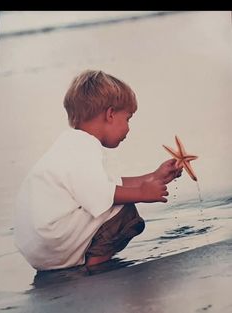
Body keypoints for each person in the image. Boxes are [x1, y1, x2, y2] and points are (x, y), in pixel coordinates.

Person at [14, 70, 182, 271]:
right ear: (110, 114)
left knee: (113, 199)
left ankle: (80, 262)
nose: (128, 128)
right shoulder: (84, 148)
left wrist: (155, 176)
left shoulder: (69, 145)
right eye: (128, 119)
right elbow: (103, 194)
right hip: (55, 238)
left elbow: (106, 186)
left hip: (39, 247)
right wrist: (141, 193)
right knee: (126, 212)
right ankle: (96, 268)